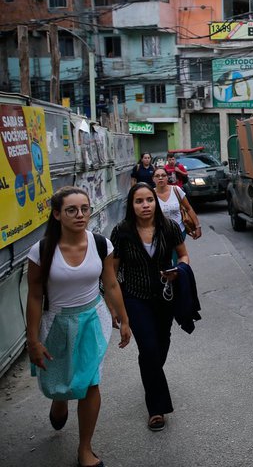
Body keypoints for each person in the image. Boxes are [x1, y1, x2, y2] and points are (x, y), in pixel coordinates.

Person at [26, 186, 131, 467]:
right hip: (56, 323)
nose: (80, 214)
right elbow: (35, 295)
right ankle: (60, 399)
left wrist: (124, 319)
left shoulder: (100, 244)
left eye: (84, 208)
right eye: (71, 210)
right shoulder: (42, 250)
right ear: (57, 214)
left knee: (90, 382)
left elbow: (110, 283)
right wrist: (33, 340)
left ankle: (85, 449)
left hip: (92, 320)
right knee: (60, 381)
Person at [110, 183, 188, 432]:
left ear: (156, 202)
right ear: (131, 206)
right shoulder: (121, 232)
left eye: (149, 200)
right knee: (149, 348)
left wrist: (180, 270)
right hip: (135, 297)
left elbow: (183, 255)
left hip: (165, 297)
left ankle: (151, 371)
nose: (145, 205)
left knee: (160, 346)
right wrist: (114, 307)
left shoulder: (169, 227)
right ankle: (157, 409)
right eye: (139, 201)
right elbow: (112, 271)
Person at [152, 166, 202, 244]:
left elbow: (188, 208)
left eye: (163, 175)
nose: (160, 178)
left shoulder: (176, 190)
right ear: (153, 179)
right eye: (157, 176)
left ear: (167, 177)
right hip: (160, 235)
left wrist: (197, 226)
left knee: (177, 255)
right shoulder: (150, 195)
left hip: (179, 232)